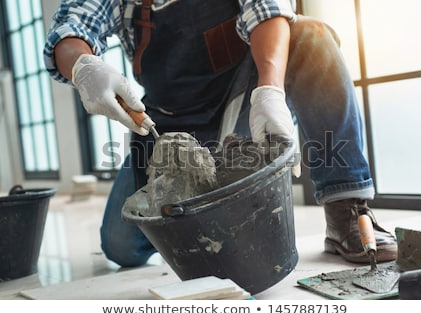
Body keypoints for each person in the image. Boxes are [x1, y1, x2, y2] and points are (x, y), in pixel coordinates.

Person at [44, 0, 397, 267]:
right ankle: (198, 213)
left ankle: (346, 212)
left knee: (308, 35)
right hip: (166, 123)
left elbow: (269, 8)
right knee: (121, 246)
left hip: (240, 103)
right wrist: (83, 66)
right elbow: (71, 26)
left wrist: (269, 92)